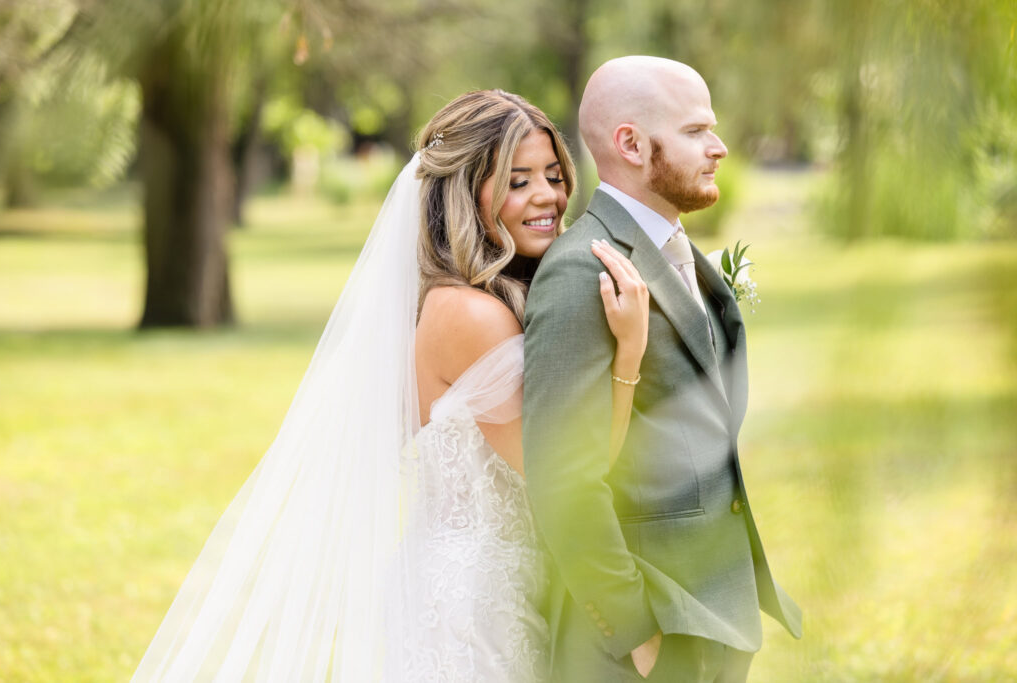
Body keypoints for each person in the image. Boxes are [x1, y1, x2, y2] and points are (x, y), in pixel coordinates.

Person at [132, 89, 649, 682]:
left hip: (501, 585)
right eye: (516, 180)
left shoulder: (479, 298)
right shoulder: (471, 315)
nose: (548, 198)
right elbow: (566, 472)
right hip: (479, 606)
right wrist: (628, 354)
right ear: (464, 191)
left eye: (554, 176)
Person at [523, 56, 803, 682]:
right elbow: (563, 476)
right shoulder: (581, 273)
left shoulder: (675, 251)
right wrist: (636, 633)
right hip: (645, 636)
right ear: (630, 143)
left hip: (714, 617)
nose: (720, 147)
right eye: (696, 131)